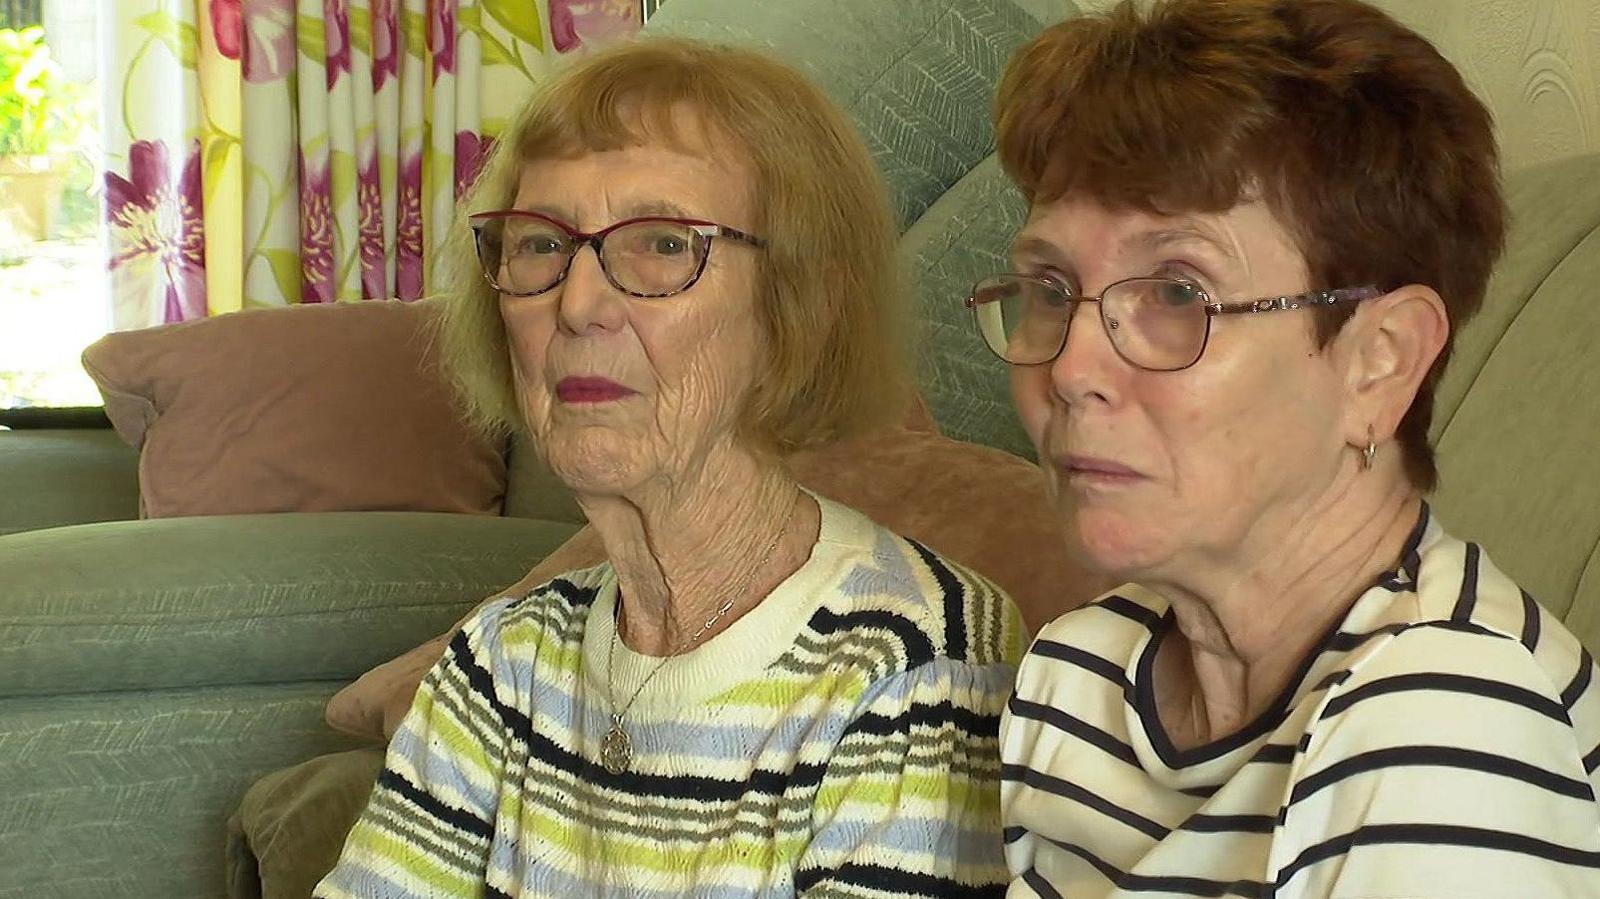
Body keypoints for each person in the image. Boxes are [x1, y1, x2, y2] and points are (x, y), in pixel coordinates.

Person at [314, 37, 1023, 899]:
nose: (575, 303)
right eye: (540, 244)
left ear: (801, 307)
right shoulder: (502, 659)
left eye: (660, 243)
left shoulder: (917, 658)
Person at [976, 1, 1600, 896]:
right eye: (1049, 286)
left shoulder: (1446, 726)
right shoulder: (1074, 676)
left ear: (1378, 363)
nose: (1072, 367)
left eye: (1179, 292)